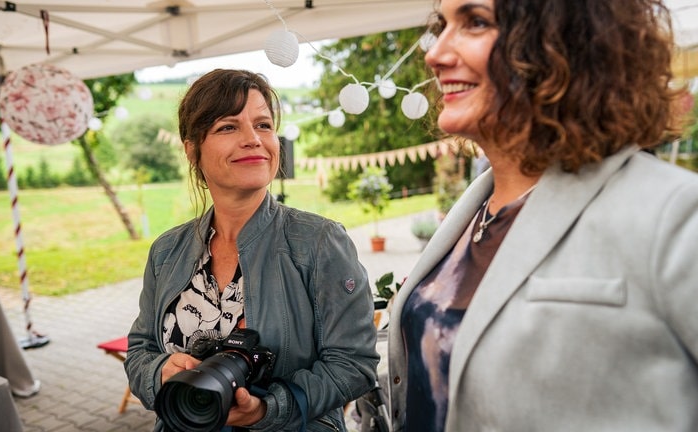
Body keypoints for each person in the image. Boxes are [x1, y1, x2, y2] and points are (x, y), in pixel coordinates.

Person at [386, 0, 698, 431]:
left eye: (475, 22)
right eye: (442, 26)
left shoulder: (676, 212)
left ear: (563, 41)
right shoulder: (471, 212)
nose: (434, 53)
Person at [125, 69, 379, 431]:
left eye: (263, 124)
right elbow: (139, 351)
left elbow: (353, 365)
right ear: (193, 150)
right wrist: (160, 371)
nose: (253, 139)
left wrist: (267, 409)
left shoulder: (319, 242)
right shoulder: (167, 250)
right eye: (229, 127)